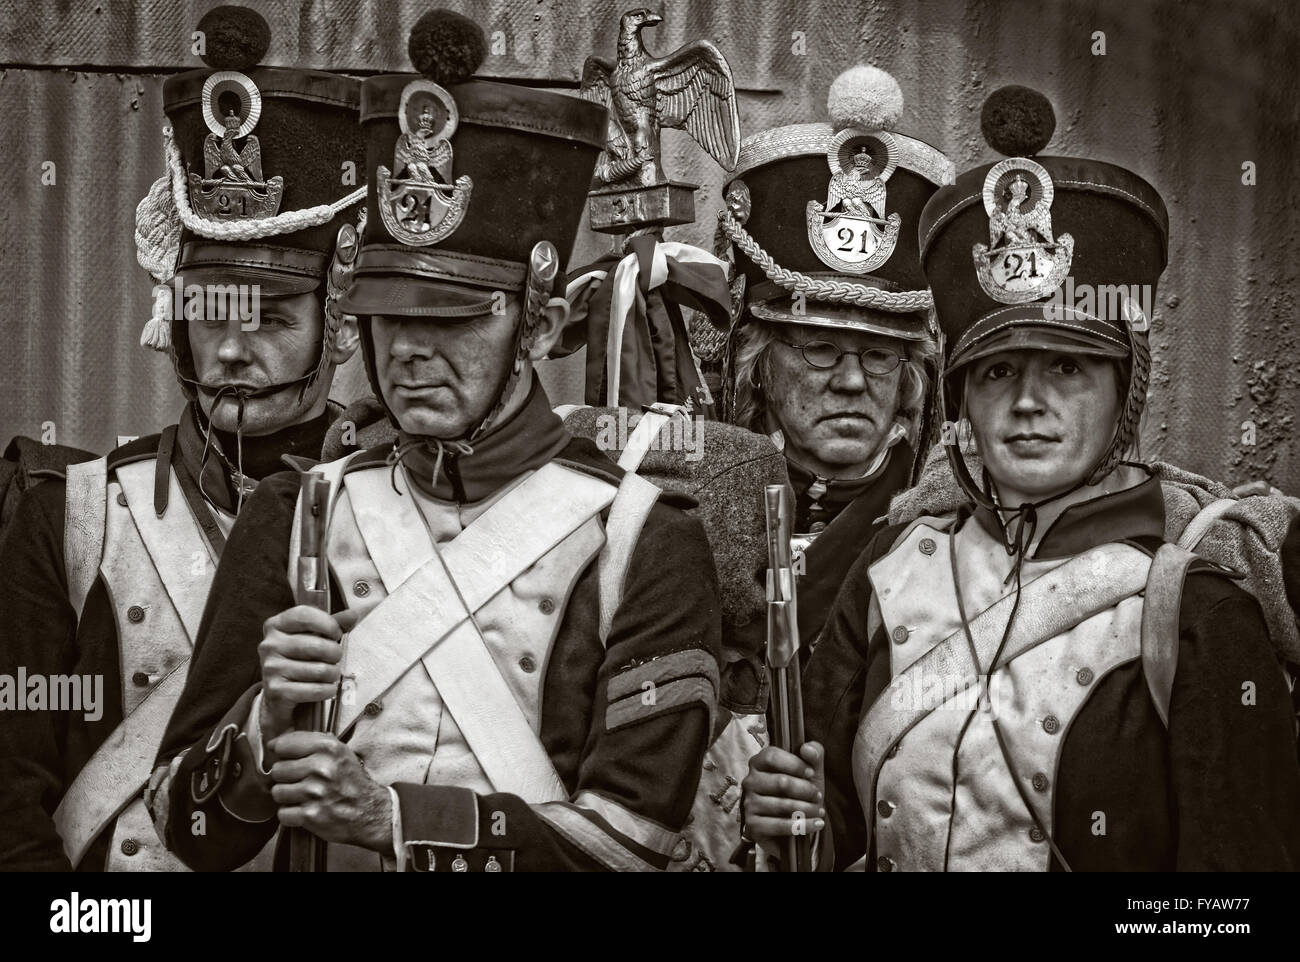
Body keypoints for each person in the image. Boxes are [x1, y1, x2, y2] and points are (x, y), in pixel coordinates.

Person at [148, 9, 721, 873]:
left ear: (541, 327)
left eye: (450, 316)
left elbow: (631, 845)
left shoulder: (647, 544)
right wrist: (260, 737)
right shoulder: (296, 513)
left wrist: (391, 819)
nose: (408, 351)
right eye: (384, 313)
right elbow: (183, 829)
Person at [742, 85, 1300, 871]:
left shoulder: (1201, 616)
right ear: (961, 392)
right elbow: (834, 831)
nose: (1029, 403)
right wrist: (786, 819)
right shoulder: (888, 567)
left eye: (1068, 367)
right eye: (998, 369)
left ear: (1127, 387)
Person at [0, 5, 365, 871]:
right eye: (209, 308)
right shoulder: (69, 517)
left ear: (339, 319)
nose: (233, 346)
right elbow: (11, 797)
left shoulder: (399, 508)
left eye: (272, 315)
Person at [718, 65, 951, 648]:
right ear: (760, 364)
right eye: (820, 348)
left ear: (910, 379)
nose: (851, 382)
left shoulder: (957, 529)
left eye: (878, 355)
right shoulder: (693, 509)